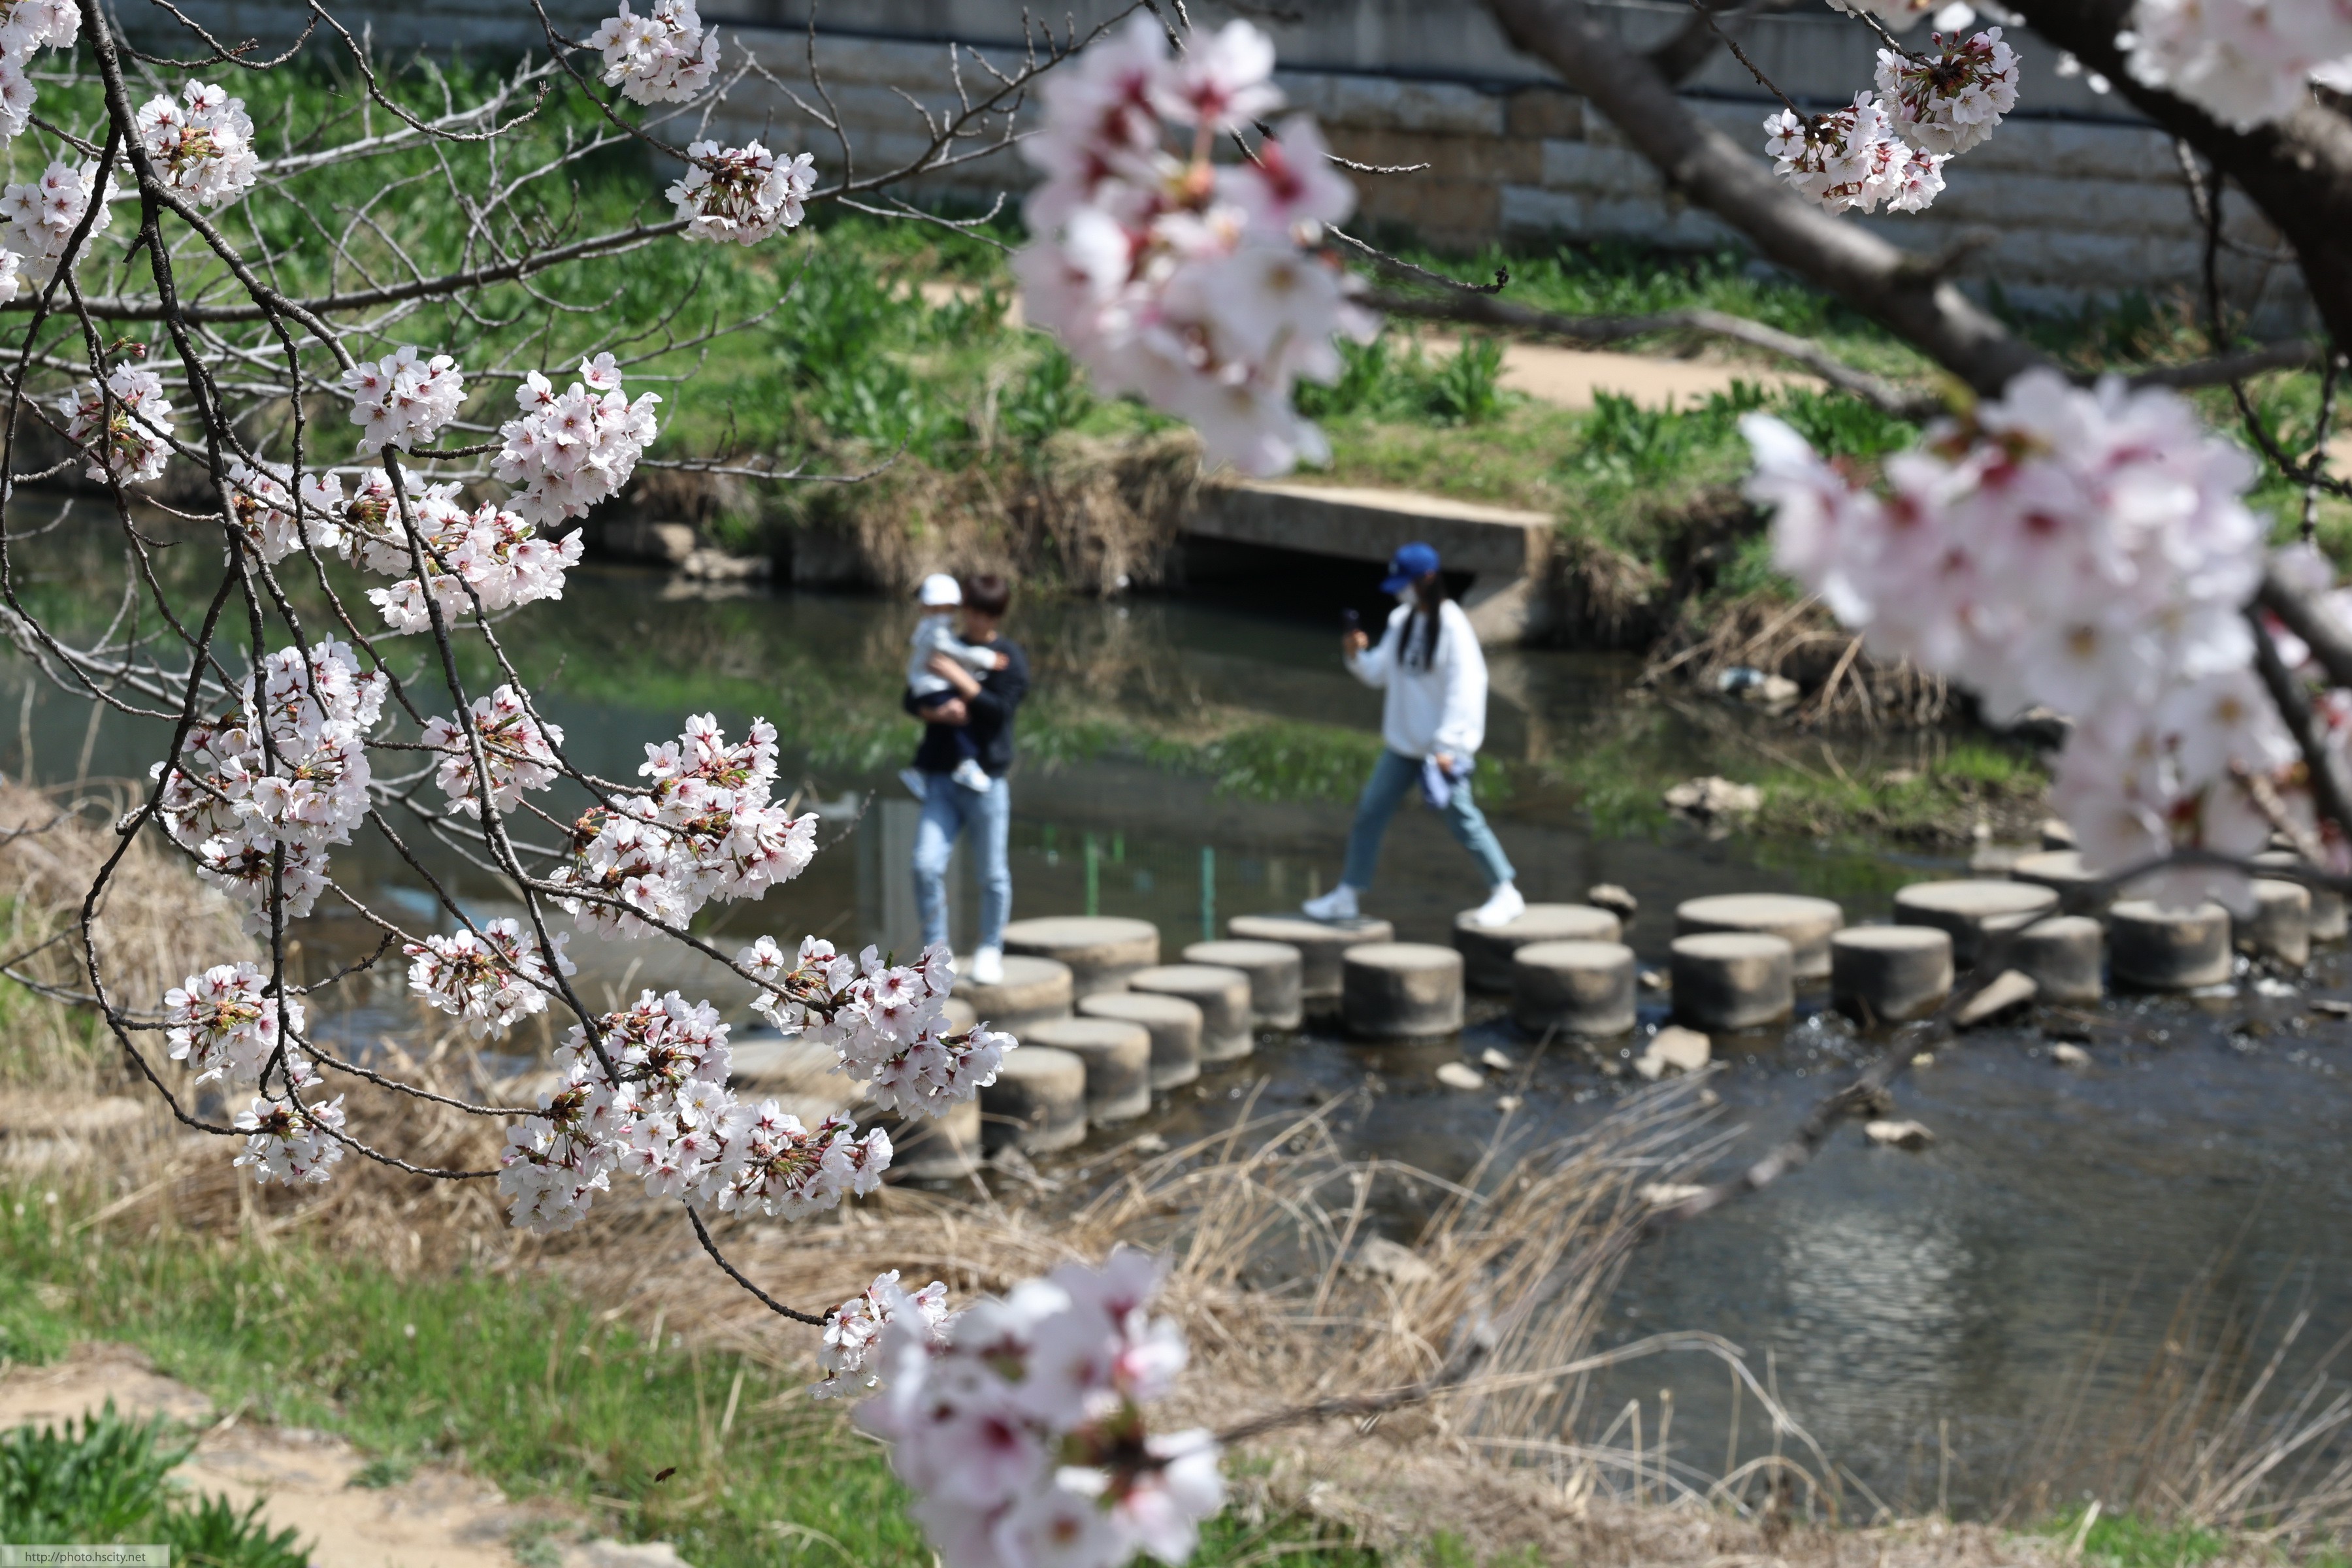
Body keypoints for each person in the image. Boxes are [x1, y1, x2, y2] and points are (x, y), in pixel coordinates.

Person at [1302, 542, 1526, 928]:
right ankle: (1348, 895)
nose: (1402, 591)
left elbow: (1467, 688)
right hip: (1403, 746)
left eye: (1408, 583)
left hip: (1441, 751)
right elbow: (1379, 674)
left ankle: (1506, 892)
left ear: (1427, 579)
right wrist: (1356, 655)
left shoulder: (1454, 627)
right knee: (1370, 813)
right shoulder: (1401, 621)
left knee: (1464, 821)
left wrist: (1449, 747)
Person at [903, 573, 1028, 983]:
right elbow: (910, 697)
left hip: (987, 782)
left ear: (997, 615)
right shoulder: (944, 642)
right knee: (924, 865)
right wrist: (938, 713)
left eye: (986, 613)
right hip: (941, 779)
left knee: (992, 874)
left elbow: (1000, 710)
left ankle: (990, 947)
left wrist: (961, 681)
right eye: (971, 611)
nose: (976, 620)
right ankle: (939, 952)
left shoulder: (1008, 656)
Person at [900, 572, 1004, 798]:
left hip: (931, 685)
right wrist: (986, 659)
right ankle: (965, 763)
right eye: (936, 609)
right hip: (931, 686)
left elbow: (1001, 709)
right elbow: (954, 652)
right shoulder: (937, 633)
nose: (943, 615)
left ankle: (919, 769)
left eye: (948, 609)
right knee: (960, 719)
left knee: (943, 728)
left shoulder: (1009, 653)